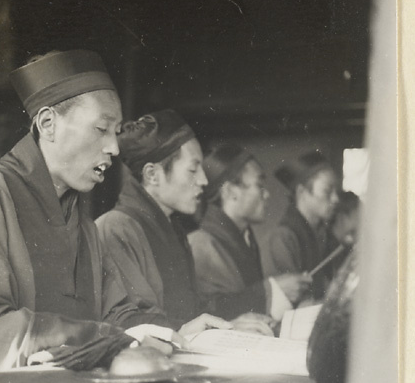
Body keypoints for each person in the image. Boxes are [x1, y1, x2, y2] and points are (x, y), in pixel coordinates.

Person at [0, 50, 180, 383]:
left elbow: (115, 311)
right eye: (102, 129)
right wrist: (93, 336)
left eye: (116, 132)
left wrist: (174, 331)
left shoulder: (82, 221)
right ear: (47, 124)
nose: (114, 148)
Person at [96, 109, 272, 335]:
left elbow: (188, 312)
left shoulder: (173, 229)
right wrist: (184, 330)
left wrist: (232, 322)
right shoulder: (115, 228)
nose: (203, 180)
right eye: (192, 169)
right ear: (152, 175)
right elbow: (123, 323)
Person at [188, 144, 312, 323]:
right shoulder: (200, 243)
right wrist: (272, 289)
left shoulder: (246, 237)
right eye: (259, 185)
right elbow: (209, 311)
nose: (267, 194)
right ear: (231, 192)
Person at [264, 150, 340, 301]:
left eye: (336, 191)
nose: (335, 199)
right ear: (302, 192)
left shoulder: (323, 234)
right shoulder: (283, 237)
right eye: (327, 191)